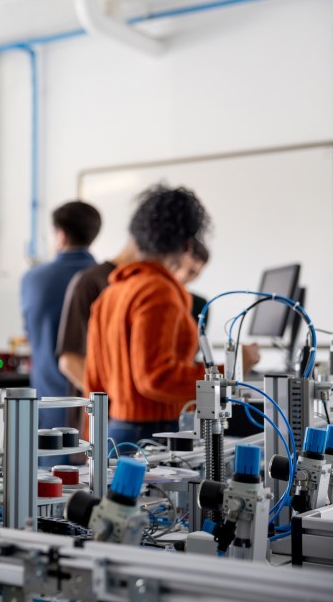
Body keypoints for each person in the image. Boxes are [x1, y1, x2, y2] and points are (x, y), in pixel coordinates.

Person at [84, 185, 259, 444]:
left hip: (116, 431)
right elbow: (156, 378)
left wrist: (93, 443)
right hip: (152, 434)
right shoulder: (160, 290)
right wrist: (232, 369)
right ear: (187, 245)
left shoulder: (112, 293)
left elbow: (94, 381)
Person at [57, 237, 209, 391]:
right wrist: (109, 402)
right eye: (180, 266)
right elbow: (71, 361)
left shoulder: (180, 299)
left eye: (193, 273)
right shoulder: (97, 283)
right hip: (108, 407)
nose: (183, 275)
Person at [20, 201, 101, 433]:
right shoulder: (107, 279)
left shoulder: (32, 279)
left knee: (45, 467)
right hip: (95, 402)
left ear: (61, 235)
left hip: (48, 402)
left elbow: (29, 332)